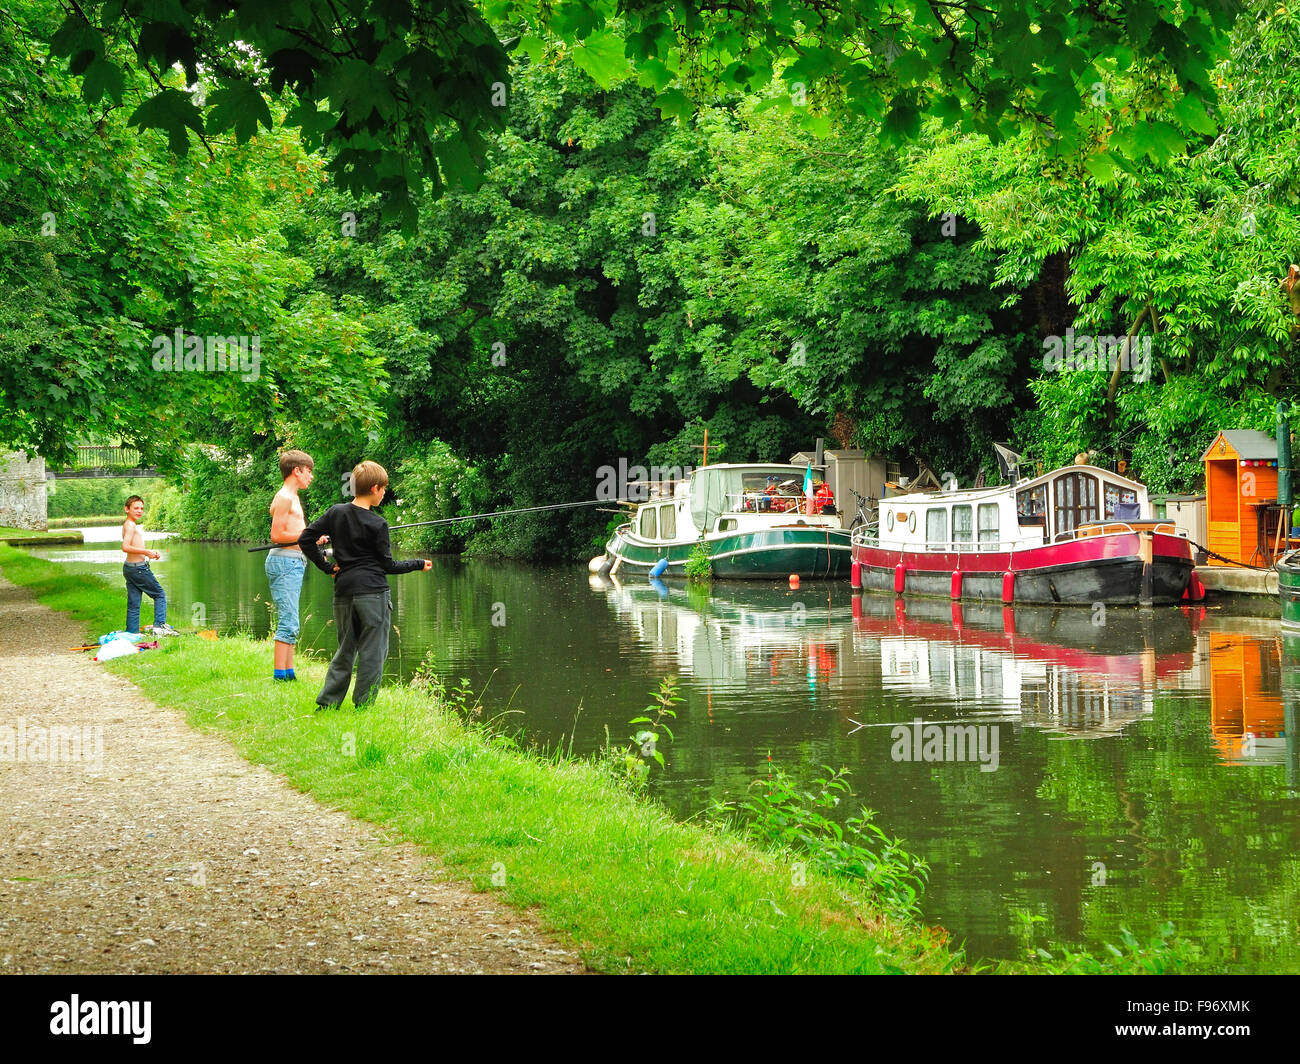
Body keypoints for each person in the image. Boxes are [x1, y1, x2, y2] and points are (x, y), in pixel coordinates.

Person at [299, 460, 431, 709]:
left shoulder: (335, 512)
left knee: (345, 649)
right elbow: (388, 566)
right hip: (373, 593)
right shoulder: (378, 524)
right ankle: (364, 705)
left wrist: (328, 568)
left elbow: (305, 539)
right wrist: (417, 563)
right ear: (374, 488)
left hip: (344, 590)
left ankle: (328, 704)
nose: (384, 494)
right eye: (383, 489)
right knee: (373, 652)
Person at [265, 449, 317, 682]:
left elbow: (293, 532)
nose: (311, 476)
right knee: (288, 620)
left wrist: (311, 537)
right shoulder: (285, 497)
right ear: (297, 471)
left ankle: (289, 673)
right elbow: (277, 534)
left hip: (292, 562)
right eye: (308, 471)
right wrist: (307, 535)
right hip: (285, 562)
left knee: (291, 619)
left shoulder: (292, 497)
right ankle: (280, 676)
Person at [121, 495, 176, 635]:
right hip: (138, 569)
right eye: (136, 508)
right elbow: (125, 546)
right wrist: (146, 552)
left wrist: (149, 553)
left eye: (141, 508)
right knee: (160, 595)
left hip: (130, 568)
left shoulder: (129, 524)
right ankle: (159, 627)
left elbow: (132, 546)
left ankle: (132, 632)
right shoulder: (131, 525)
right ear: (127, 509)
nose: (139, 511)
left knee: (134, 602)